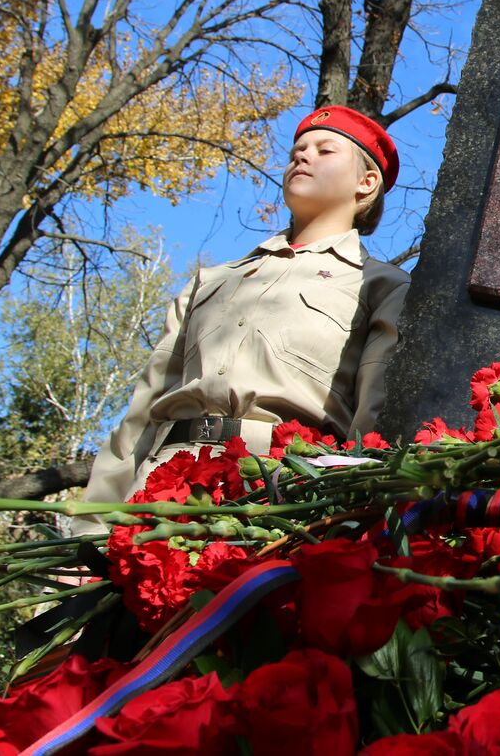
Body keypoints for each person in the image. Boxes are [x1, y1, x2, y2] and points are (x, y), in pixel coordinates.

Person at [75, 106, 411, 534]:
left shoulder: (382, 285)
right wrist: (91, 530)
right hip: (161, 485)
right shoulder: (211, 281)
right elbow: (142, 413)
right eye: (297, 151)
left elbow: (373, 417)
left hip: (279, 496)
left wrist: (343, 521)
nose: (302, 156)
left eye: (325, 150)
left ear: (367, 182)